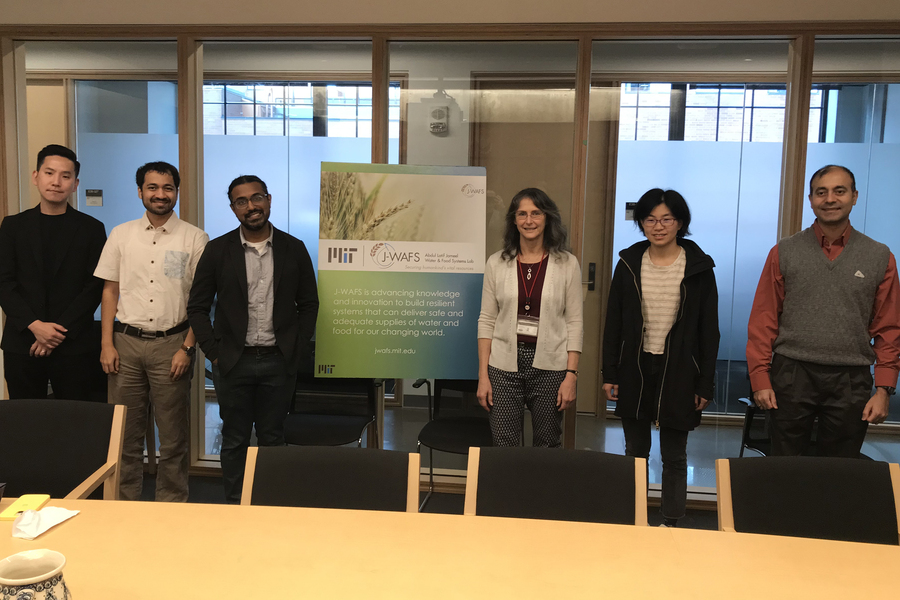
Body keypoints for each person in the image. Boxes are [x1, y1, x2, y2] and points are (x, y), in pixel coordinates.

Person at [747, 165, 900, 457]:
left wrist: (883, 390)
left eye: (839, 191)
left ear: (854, 197)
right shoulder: (784, 252)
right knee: (784, 467)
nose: (830, 199)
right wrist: (760, 379)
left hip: (851, 379)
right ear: (811, 199)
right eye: (821, 192)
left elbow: (889, 328)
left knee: (838, 471)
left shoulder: (880, 256)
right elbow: (763, 321)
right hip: (791, 373)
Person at [188, 175, 319, 503]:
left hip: (278, 361)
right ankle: (235, 505)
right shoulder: (218, 250)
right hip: (233, 362)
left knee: (273, 438)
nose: (251, 206)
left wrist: (295, 347)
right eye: (241, 201)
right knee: (234, 439)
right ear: (233, 209)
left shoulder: (294, 248)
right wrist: (214, 354)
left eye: (256, 197)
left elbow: (309, 304)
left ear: (269, 199)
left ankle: (271, 502)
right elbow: (197, 307)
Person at [602, 189, 718, 528]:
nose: (658, 226)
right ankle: (633, 516)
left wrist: (705, 382)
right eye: (650, 219)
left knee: (674, 455)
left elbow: (709, 331)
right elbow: (614, 323)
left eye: (666, 219)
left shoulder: (699, 267)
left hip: (680, 370)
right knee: (635, 452)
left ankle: (671, 520)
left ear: (680, 223)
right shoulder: (628, 264)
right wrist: (610, 372)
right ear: (641, 223)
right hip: (636, 368)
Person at [94, 161, 209, 502]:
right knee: (124, 434)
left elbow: (200, 301)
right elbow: (109, 292)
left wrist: (187, 348)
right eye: (152, 188)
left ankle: (170, 505)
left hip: (172, 344)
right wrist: (106, 344)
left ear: (176, 191)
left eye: (167, 188)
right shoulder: (121, 234)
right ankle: (124, 504)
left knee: (173, 437)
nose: (160, 194)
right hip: (124, 344)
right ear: (140, 191)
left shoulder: (194, 237)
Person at [476, 188, 582, 448]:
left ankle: (540, 490)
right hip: (502, 367)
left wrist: (571, 375)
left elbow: (575, 322)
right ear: (513, 220)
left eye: (536, 213)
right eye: (521, 214)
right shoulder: (496, 263)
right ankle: (509, 490)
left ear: (547, 218)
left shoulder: (567, 264)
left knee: (547, 443)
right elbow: (486, 320)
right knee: (504, 443)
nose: (529, 221)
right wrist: (483, 375)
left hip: (550, 367)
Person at [0, 144, 106, 401]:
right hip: (22, 340)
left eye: (65, 176)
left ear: (75, 183)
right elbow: (4, 282)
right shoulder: (13, 226)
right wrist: (35, 326)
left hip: (74, 344)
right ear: (36, 177)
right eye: (49, 173)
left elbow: (94, 287)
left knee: (74, 424)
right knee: (25, 423)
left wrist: (56, 333)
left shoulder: (92, 229)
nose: (56, 182)